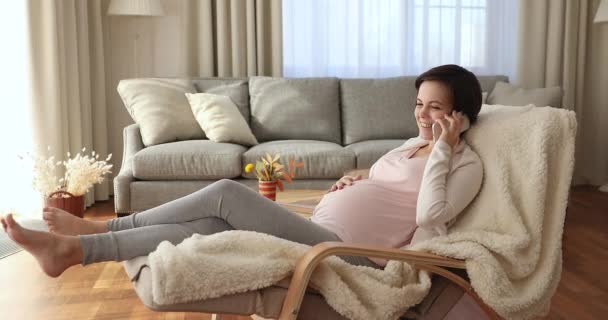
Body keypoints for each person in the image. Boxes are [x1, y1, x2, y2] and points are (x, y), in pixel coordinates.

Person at [0, 64, 483, 278]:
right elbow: (386, 183)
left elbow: (432, 215)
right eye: (419, 103)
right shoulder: (412, 144)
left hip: (348, 254)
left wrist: (443, 150)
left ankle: (97, 231)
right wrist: (362, 178)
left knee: (229, 193)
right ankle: (76, 253)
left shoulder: (465, 164)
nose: (422, 115)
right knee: (211, 222)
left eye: (435, 107)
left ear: (459, 116)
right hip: (321, 226)